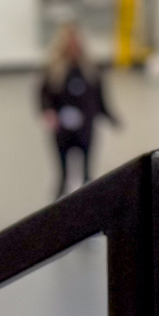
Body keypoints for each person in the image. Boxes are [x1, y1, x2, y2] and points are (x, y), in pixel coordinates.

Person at [39, 22, 119, 199]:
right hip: (62, 129)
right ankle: (58, 206)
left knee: (87, 173)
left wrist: (111, 117)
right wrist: (48, 112)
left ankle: (87, 205)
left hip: (85, 127)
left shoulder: (90, 69)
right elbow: (44, 96)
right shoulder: (53, 69)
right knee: (63, 174)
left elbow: (100, 97)